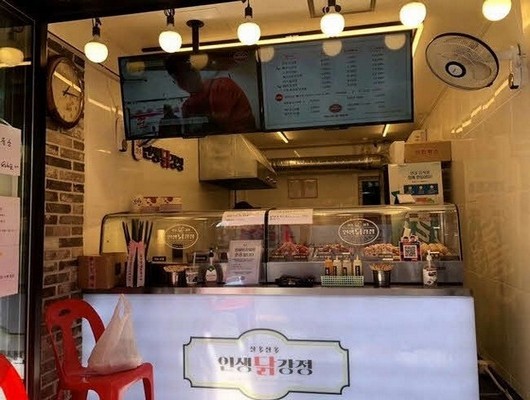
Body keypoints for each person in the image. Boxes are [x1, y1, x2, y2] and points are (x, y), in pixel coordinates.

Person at [165, 55, 256, 134]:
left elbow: (220, 128)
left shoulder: (222, 86)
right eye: (179, 79)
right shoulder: (187, 106)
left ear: (196, 71)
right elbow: (189, 135)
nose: (184, 82)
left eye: (187, 73)